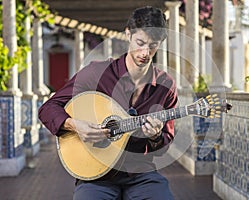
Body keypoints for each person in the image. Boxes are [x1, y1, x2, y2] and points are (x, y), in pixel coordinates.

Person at [39, 6, 177, 200]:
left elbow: (165, 141)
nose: (145, 52)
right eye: (140, 42)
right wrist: (74, 125)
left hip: (141, 173)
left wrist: (155, 136)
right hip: (96, 176)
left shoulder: (166, 85)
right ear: (128, 34)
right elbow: (48, 109)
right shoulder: (96, 73)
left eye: (153, 45)